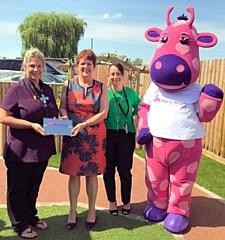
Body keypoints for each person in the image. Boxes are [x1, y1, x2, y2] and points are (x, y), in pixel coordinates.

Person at [0, 47, 59, 239]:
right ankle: (19, 224)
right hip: (21, 150)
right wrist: (30, 125)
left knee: (34, 186)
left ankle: (30, 216)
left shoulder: (47, 89)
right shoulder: (15, 90)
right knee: (18, 188)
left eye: (39, 66)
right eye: (32, 65)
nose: (35, 69)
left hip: (42, 150)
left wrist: (64, 125)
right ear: (25, 67)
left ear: (44, 68)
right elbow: (3, 117)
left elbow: (53, 114)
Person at [59, 49, 108, 230]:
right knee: (73, 175)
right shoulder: (67, 84)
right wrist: (64, 117)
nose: (85, 67)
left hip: (94, 136)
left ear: (94, 67)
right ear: (77, 66)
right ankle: (73, 211)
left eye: (89, 64)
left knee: (92, 175)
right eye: (82, 63)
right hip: (73, 134)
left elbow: (103, 113)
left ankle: (91, 211)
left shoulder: (102, 87)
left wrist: (84, 124)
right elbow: (62, 107)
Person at [103, 63, 141, 216]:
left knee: (125, 170)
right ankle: (112, 202)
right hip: (109, 135)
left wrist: (141, 129)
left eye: (118, 74)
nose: (115, 77)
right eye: (112, 74)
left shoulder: (131, 94)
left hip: (126, 135)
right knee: (108, 170)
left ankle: (126, 201)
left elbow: (141, 111)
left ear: (123, 75)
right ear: (108, 76)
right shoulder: (105, 93)